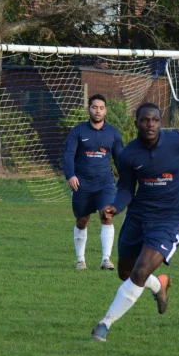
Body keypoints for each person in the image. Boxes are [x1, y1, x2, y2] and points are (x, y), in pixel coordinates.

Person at [91, 102, 179, 342]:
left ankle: (104, 324)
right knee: (125, 272)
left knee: (141, 270)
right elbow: (126, 187)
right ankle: (159, 286)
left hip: (168, 219)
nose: (151, 124)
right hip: (138, 217)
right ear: (136, 124)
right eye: (145, 120)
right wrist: (116, 205)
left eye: (155, 120)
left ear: (160, 122)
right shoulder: (128, 154)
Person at [62, 94, 124, 271]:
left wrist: (126, 179)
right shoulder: (78, 131)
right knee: (82, 220)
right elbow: (68, 155)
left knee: (107, 215)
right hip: (82, 184)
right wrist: (70, 175)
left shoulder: (113, 133)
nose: (98, 111)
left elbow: (120, 159)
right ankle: (80, 260)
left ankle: (106, 259)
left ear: (106, 110)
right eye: (95, 107)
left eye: (101, 108)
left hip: (105, 183)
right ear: (88, 109)